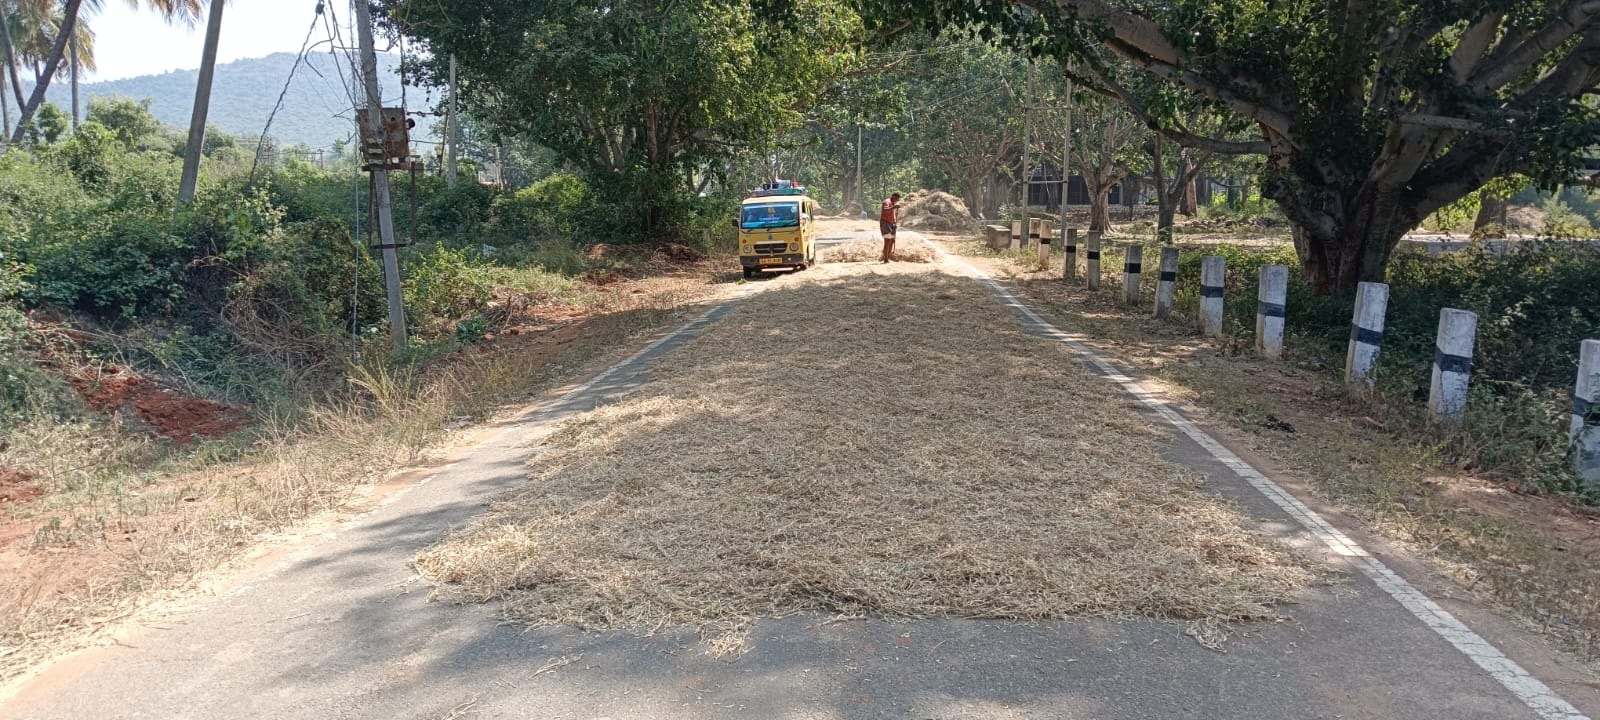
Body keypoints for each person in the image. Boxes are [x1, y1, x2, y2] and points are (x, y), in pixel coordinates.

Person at [879, 192, 902, 262]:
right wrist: (893, 207)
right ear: (893, 196)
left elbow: (893, 215)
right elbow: (884, 210)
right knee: (887, 240)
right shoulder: (886, 202)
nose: (896, 201)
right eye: (896, 199)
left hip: (892, 224)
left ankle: (887, 257)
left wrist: (894, 223)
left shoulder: (893, 203)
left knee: (892, 241)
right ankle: (885, 259)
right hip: (885, 222)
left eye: (897, 200)